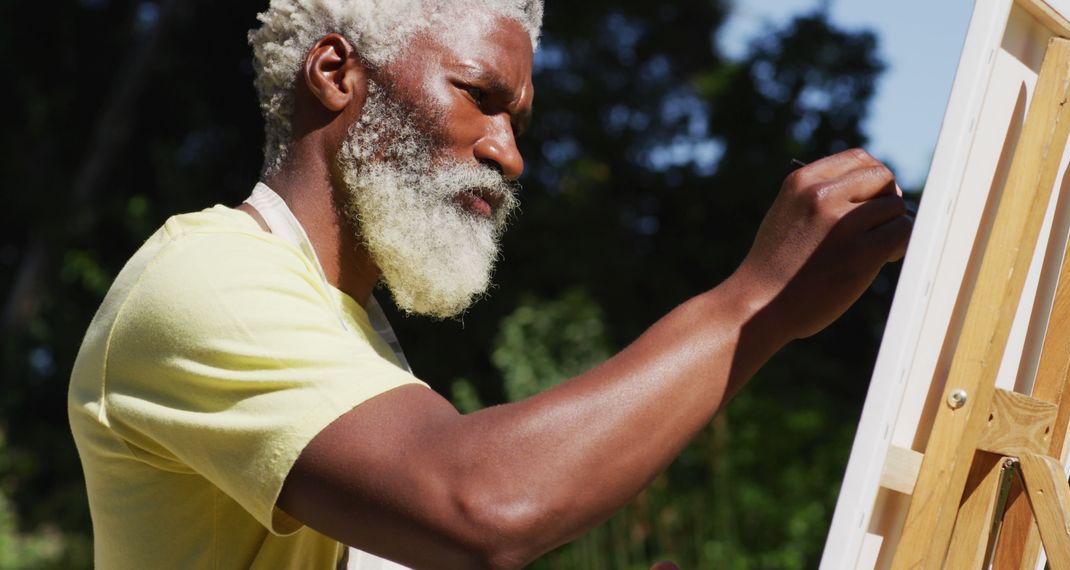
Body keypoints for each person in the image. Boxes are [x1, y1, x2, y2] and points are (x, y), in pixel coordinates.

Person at [68, 1, 912, 569]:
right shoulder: (208, 279)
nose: (511, 154)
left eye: (521, 120)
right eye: (480, 97)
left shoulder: (357, 339)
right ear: (335, 72)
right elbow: (485, 503)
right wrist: (754, 304)